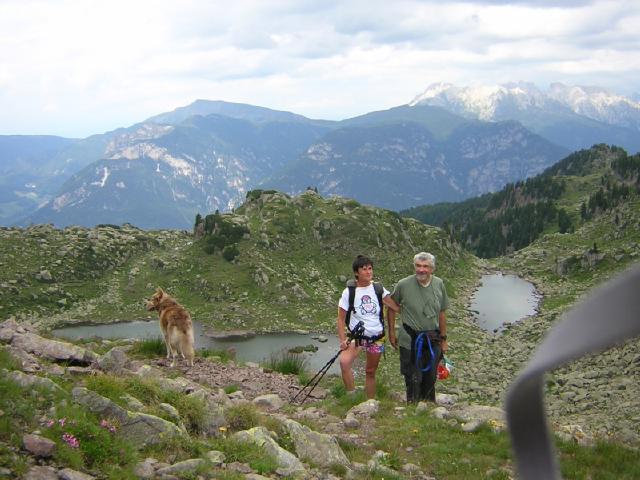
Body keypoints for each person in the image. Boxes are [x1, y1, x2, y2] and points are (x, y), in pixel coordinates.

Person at [388, 252, 449, 403]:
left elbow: (442, 312)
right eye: (418, 266)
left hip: (432, 339)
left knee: (430, 377)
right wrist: (391, 332)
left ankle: (428, 408)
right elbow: (391, 306)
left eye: (425, 266)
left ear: (432, 269)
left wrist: (443, 339)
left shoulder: (439, 284)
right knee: (413, 377)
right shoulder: (403, 284)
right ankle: (413, 407)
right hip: (409, 339)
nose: (421, 270)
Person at [337, 255, 399, 399]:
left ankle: (370, 402)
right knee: (344, 362)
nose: (368, 272)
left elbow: (394, 306)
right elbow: (340, 319)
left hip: (376, 337)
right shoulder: (349, 292)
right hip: (356, 337)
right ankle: (351, 397)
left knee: (370, 371)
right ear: (356, 273)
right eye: (364, 269)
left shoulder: (378, 289)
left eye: (370, 268)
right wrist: (342, 339)